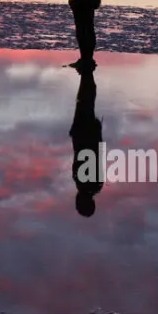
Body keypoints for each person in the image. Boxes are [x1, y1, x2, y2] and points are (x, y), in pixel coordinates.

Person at [69, 69, 102, 217]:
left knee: (85, 103)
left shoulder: (94, 185)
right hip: (84, 135)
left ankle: (87, 74)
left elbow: (96, 155)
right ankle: (87, 73)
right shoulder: (84, 184)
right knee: (84, 103)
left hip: (87, 136)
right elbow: (82, 155)